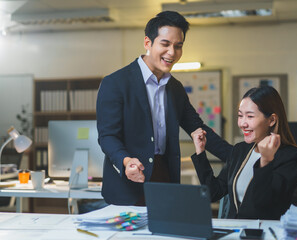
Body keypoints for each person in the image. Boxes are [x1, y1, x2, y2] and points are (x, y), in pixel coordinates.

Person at [96, 11, 232, 206]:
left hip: (164, 177)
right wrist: (126, 161)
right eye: (165, 44)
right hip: (130, 179)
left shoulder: (175, 88)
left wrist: (241, 156)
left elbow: (198, 128)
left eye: (178, 46)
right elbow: (107, 136)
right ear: (147, 43)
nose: (172, 53)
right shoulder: (115, 83)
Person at [191, 86, 297, 220]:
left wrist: (266, 162)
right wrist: (200, 152)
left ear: (271, 120)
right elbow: (213, 193)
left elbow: (263, 205)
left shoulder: (291, 156)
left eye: (250, 116)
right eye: (240, 116)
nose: (242, 123)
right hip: (234, 230)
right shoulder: (240, 150)